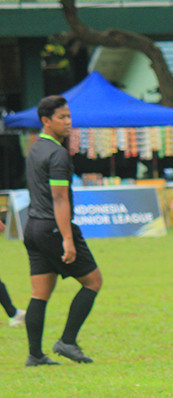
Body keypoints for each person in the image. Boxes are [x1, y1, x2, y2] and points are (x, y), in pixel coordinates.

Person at [22, 95, 103, 366]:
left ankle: (35, 355)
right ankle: (67, 341)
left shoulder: (35, 148)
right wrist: (67, 238)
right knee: (93, 282)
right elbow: (59, 199)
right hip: (53, 229)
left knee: (40, 293)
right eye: (62, 118)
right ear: (46, 121)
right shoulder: (57, 154)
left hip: (32, 226)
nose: (69, 122)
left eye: (69, 116)